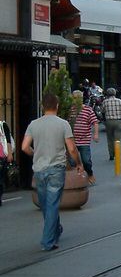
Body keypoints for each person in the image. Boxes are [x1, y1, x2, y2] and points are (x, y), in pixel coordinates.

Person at [21, 93, 84, 251]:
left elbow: (24, 147)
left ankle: (55, 229)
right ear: (57, 106)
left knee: (46, 205)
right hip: (56, 168)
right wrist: (78, 163)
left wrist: (34, 153)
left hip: (39, 169)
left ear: (43, 106)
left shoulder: (33, 124)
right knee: (52, 205)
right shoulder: (63, 124)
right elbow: (72, 148)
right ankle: (48, 240)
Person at [69, 90, 99, 184]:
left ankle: (90, 174)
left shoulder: (88, 109)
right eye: (75, 98)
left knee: (86, 160)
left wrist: (96, 134)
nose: (77, 100)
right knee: (72, 162)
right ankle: (77, 179)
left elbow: (95, 122)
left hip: (84, 140)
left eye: (79, 98)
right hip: (72, 140)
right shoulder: (70, 110)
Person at [102, 88, 121, 161]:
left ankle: (111, 154)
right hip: (118, 121)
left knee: (110, 139)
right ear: (115, 93)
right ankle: (117, 154)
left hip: (109, 122)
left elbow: (102, 111)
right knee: (118, 139)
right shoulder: (119, 101)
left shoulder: (105, 102)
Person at [0, 119, 14, 206]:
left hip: (1, 156)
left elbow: (8, 140)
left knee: (0, 179)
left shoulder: (3, 125)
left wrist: (9, 154)